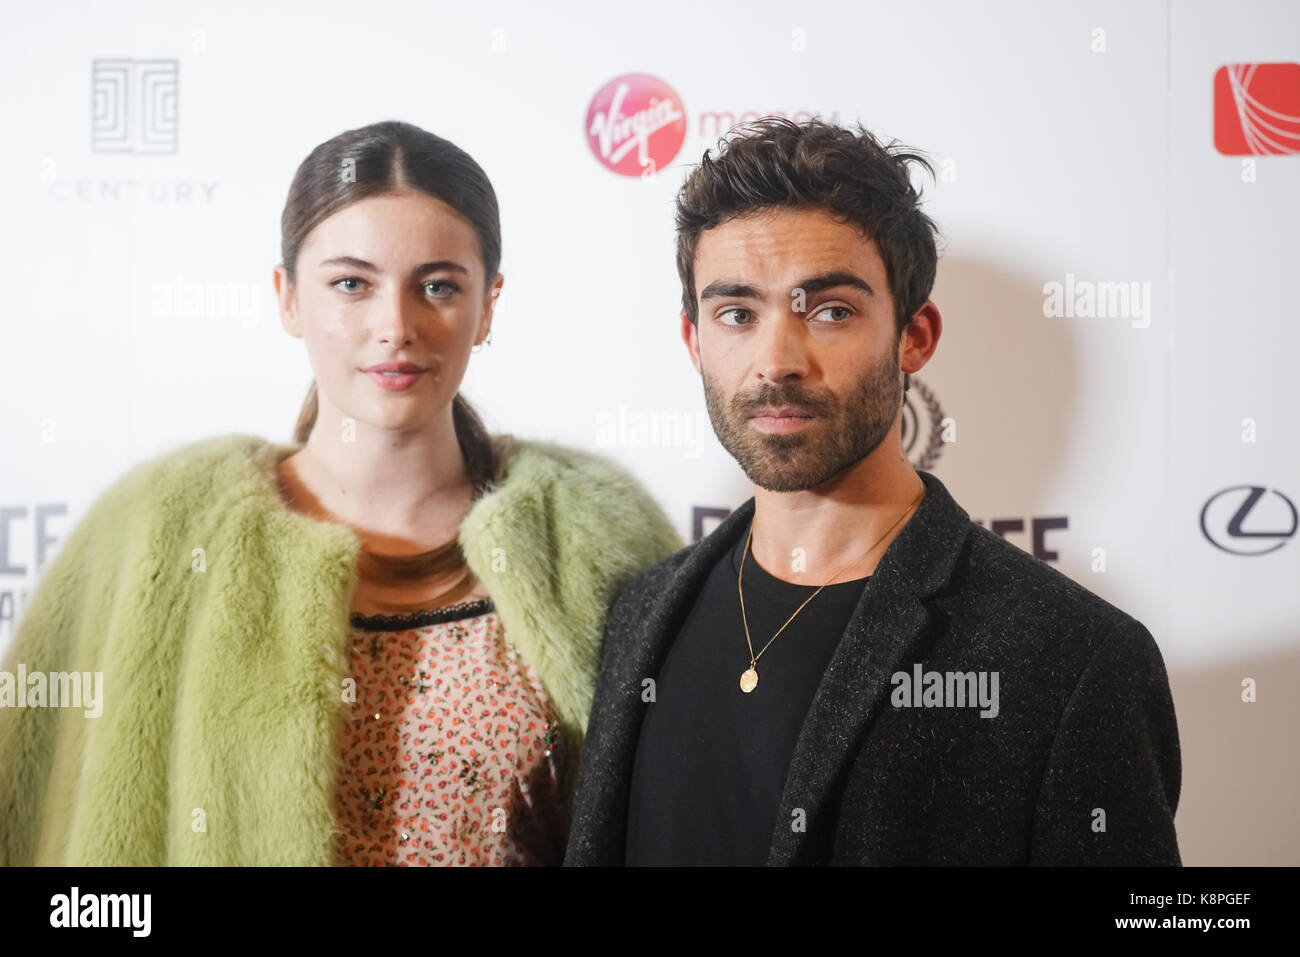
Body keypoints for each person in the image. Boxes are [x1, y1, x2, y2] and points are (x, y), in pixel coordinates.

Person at [0, 120, 682, 867]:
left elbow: (686, 811)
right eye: (351, 283)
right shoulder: (160, 528)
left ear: (488, 304)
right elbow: (40, 808)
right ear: (287, 297)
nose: (395, 325)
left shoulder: (592, 536)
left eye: (438, 285)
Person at [564, 117, 1182, 866]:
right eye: (736, 313)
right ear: (695, 342)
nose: (776, 360)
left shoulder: (1076, 661)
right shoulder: (638, 613)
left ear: (915, 336)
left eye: (829, 310)